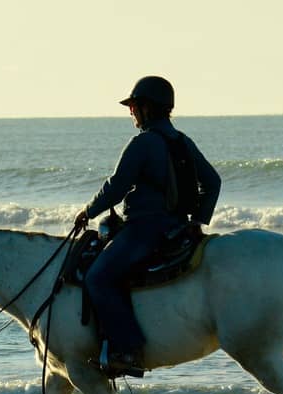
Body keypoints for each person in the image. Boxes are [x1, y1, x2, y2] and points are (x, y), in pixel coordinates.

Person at [73, 76, 222, 376]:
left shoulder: (143, 143)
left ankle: (126, 350)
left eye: (134, 107)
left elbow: (116, 187)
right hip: (177, 228)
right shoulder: (182, 142)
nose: (131, 113)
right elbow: (212, 182)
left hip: (145, 229)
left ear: (147, 108)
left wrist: (87, 211)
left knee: (99, 278)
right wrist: (196, 222)